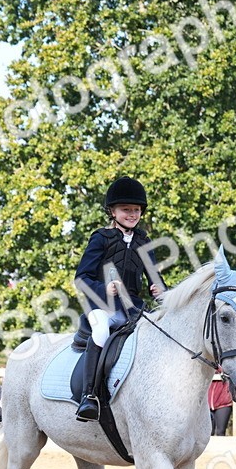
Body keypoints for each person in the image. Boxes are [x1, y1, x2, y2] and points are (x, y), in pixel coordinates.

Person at [73, 176, 162, 421]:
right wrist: (105, 289)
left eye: (136, 210)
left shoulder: (143, 240)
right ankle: (89, 396)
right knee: (101, 332)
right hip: (102, 305)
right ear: (112, 211)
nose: (132, 214)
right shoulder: (100, 238)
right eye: (126, 210)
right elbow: (81, 278)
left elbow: (154, 274)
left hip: (132, 307)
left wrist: (160, 288)